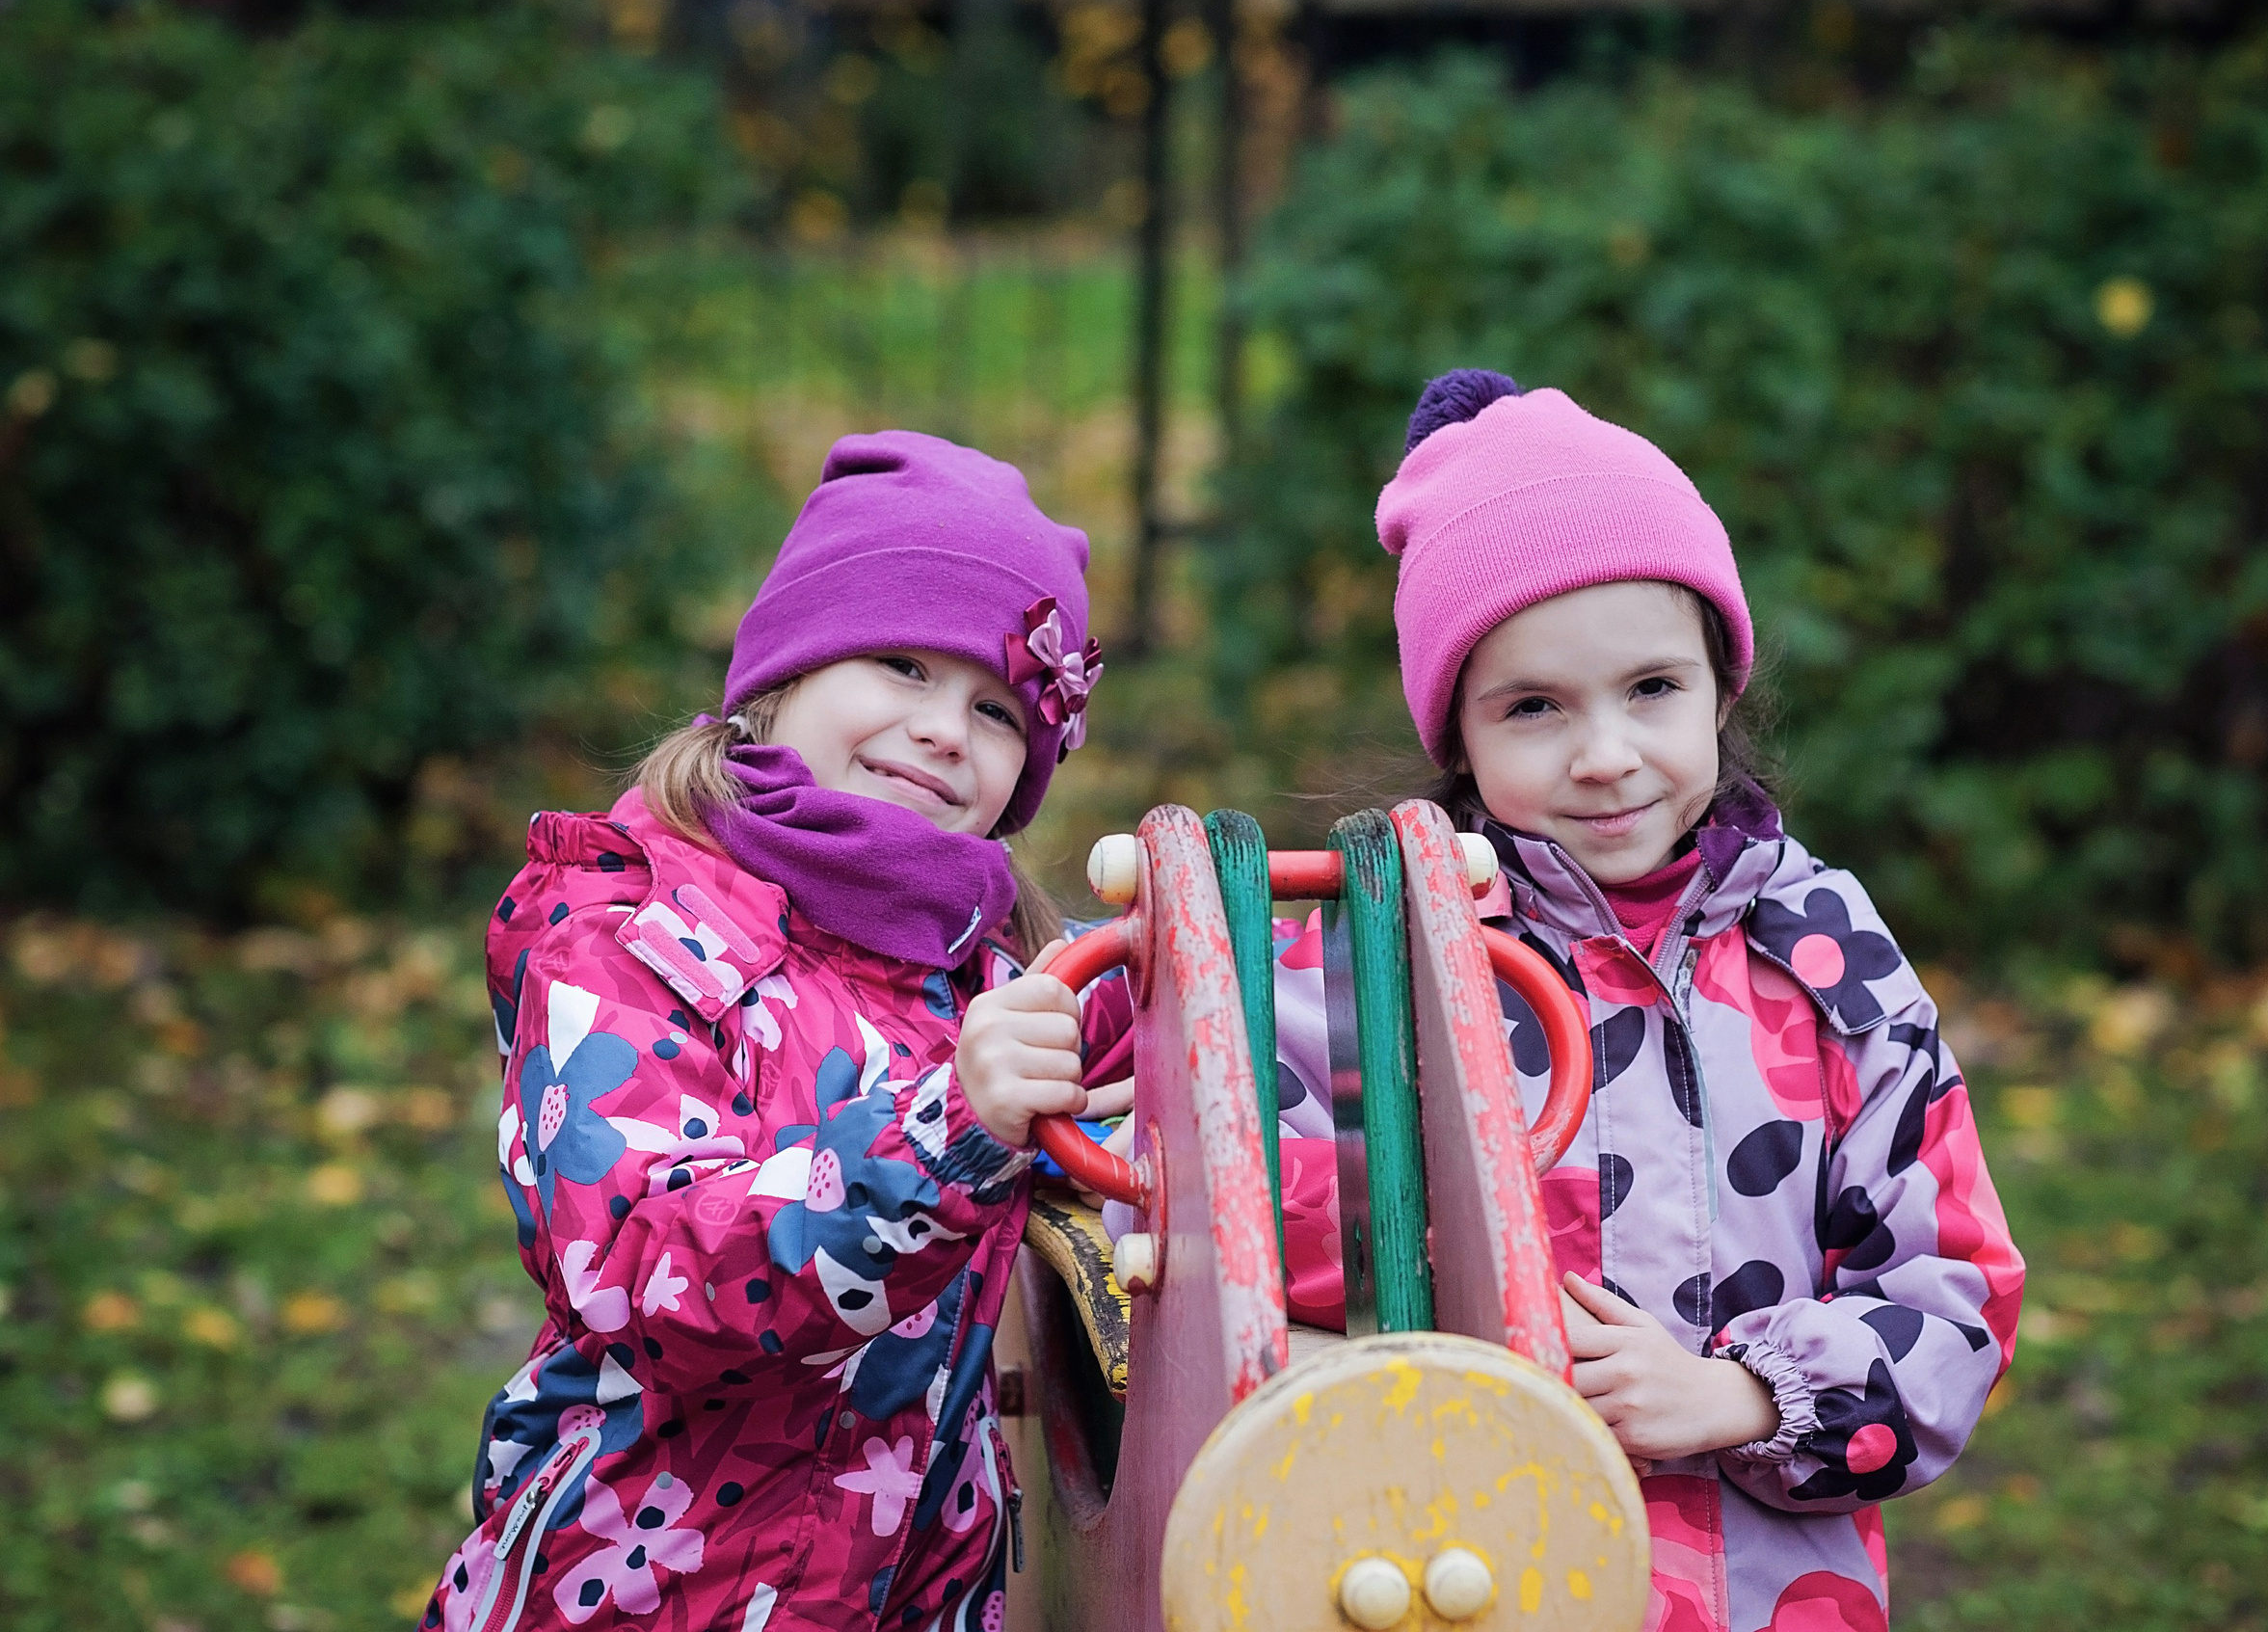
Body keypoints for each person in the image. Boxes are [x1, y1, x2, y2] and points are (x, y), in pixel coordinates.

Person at [1269, 371, 2026, 1632]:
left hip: (1771, 1595)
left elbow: (1954, 1293)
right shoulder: (1383, 960)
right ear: (1460, 735)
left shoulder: (1824, 956)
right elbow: (1227, 1216)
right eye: (1534, 707)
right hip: (1465, 1576)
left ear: (1720, 685)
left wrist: (1744, 1398)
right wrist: (1452, 1281)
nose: (1607, 755)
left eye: (1651, 690)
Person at [416, 431, 1127, 1632]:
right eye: (902, 664)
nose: (945, 730)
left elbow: (1184, 1041)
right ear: (782, 676)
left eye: (998, 710)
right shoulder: (623, 935)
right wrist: (945, 1140)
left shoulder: (987, 971)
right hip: (645, 1592)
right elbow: (641, 1279)